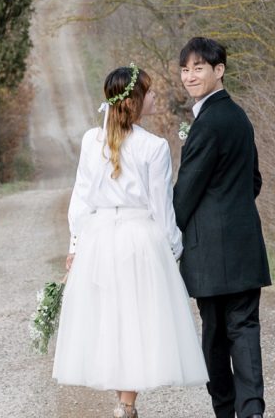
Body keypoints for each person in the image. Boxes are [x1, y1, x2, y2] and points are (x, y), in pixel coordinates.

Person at [53, 64, 209, 418]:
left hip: (99, 237)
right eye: (149, 92)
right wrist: (174, 248)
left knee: (110, 316)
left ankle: (124, 401)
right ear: (134, 100)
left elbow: (81, 198)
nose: (154, 96)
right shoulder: (154, 147)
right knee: (137, 318)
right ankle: (127, 403)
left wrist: (75, 245)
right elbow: (161, 207)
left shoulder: (91, 141)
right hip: (139, 238)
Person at [173, 37, 271, 418]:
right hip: (245, 244)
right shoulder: (239, 117)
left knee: (214, 337)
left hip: (210, 253)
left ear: (219, 70)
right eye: (185, 69)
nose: (190, 76)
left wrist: (172, 232)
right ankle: (252, 411)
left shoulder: (207, 124)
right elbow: (254, 181)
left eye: (198, 68)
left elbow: (185, 194)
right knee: (244, 330)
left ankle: (227, 411)